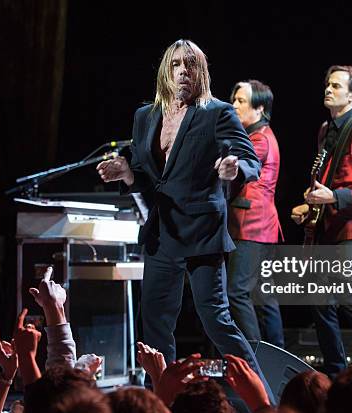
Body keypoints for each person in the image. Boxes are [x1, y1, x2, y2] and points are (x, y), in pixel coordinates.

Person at [97, 39, 273, 401]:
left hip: (202, 232)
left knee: (217, 321)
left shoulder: (217, 113)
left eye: (190, 65)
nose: (183, 71)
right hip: (163, 233)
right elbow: (148, 175)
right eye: (176, 64)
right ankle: (165, 401)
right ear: (166, 70)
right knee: (156, 324)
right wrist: (126, 173)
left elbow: (250, 159)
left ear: (201, 71)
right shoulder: (145, 116)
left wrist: (234, 168)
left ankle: (262, 399)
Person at [291, 65, 352, 376]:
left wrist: (332, 197)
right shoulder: (325, 129)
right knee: (320, 302)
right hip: (329, 230)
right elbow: (329, 180)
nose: (328, 89)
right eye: (327, 84)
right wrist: (311, 206)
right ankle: (334, 371)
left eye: (336, 86)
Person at [227, 79, 284, 348]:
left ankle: (255, 356)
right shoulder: (260, 136)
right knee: (263, 295)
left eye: (241, 101)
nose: (233, 105)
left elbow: (238, 167)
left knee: (237, 293)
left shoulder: (258, 140)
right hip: (262, 228)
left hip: (251, 227)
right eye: (234, 99)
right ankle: (275, 353)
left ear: (259, 110)